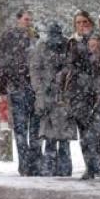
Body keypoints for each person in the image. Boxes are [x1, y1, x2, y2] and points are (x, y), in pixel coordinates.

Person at [0, 9, 42, 177]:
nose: (28, 22)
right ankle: (25, 164)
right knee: (21, 129)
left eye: (30, 19)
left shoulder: (35, 36)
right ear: (18, 20)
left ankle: (36, 164)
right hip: (18, 87)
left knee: (36, 129)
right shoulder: (9, 36)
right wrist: (2, 87)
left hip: (35, 88)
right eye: (26, 19)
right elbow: (0, 63)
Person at [30, 21, 76, 177]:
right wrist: (40, 90)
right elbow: (35, 70)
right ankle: (49, 165)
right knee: (49, 134)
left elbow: (72, 66)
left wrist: (63, 78)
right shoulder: (41, 47)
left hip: (64, 94)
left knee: (64, 136)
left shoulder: (68, 46)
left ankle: (64, 167)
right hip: (47, 94)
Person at [62, 10, 100, 180]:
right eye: (78, 22)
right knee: (84, 133)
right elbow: (70, 66)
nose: (82, 25)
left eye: (85, 22)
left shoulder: (96, 40)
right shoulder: (72, 42)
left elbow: (97, 64)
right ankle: (90, 166)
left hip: (96, 91)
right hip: (78, 93)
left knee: (98, 131)